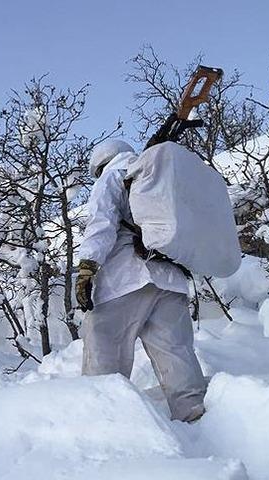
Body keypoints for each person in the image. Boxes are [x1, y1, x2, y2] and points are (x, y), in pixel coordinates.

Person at [75, 139, 207, 422]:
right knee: (176, 352)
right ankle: (195, 416)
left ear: (99, 166)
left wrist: (87, 268)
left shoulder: (113, 175)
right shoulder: (161, 175)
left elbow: (101, 223)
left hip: (124, 280)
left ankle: (102, 420)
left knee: (103, 346)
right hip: (170, 280)